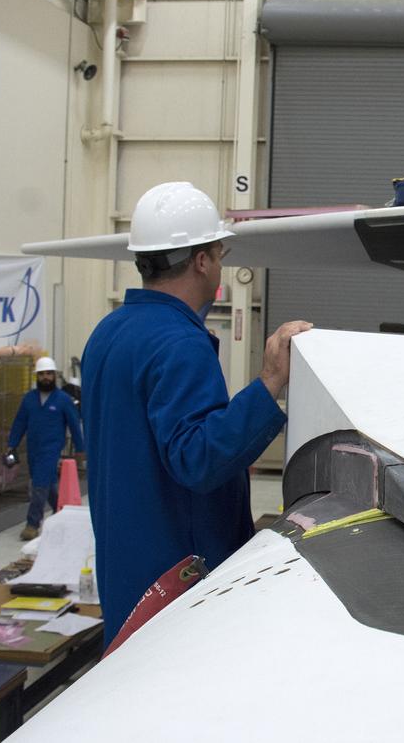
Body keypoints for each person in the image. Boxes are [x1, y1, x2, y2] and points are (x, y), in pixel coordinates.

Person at [81, 181, 312, 648]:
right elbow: (199, 459)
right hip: (180, 584)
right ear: (203, 261)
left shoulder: (108, 332)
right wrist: (270, 383)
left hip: (128, 574)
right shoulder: (178, 342)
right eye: (220, 254)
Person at [6, 357, 85, 541]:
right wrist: (12, 444)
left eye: (49, 373)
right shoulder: (29, 400)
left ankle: (32, 524)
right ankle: (63, 513)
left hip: (51, 449)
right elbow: (19, 423)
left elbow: (74, 424)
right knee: (47, 485)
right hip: (33, 449)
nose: (45, 377)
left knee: (39, 486)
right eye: (42, 374)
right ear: (37, 376)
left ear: (54, 375)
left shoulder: (63, 400)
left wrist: (81, 448)